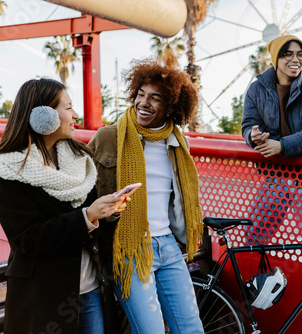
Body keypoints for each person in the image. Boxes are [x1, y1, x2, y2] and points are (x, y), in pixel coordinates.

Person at [0, 78, 128, 334]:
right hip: (43, 297)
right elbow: (30, 238)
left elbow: (91, 220)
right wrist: (87, 216)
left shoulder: (79, 158)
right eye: (69, 107)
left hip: (90, 288)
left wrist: (108, 213)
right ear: (43, 116)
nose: (76, 115)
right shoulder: (4, 171)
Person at [88, 59, 204, 334]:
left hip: (168, 247)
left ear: (172, 106)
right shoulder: (108, 137)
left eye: (155, 98)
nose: (144, 103)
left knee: (191, 329)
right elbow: (81, 189)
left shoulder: (178, 143)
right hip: (129, 249)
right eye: (140, 94)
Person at [241, 34, 302, 158]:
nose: (295, 59)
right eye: (288, 54)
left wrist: (282, 146)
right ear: (276, 59)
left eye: (300, 54)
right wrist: (253, 135)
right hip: (273, 169)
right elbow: (248, 124)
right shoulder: (255, 90)